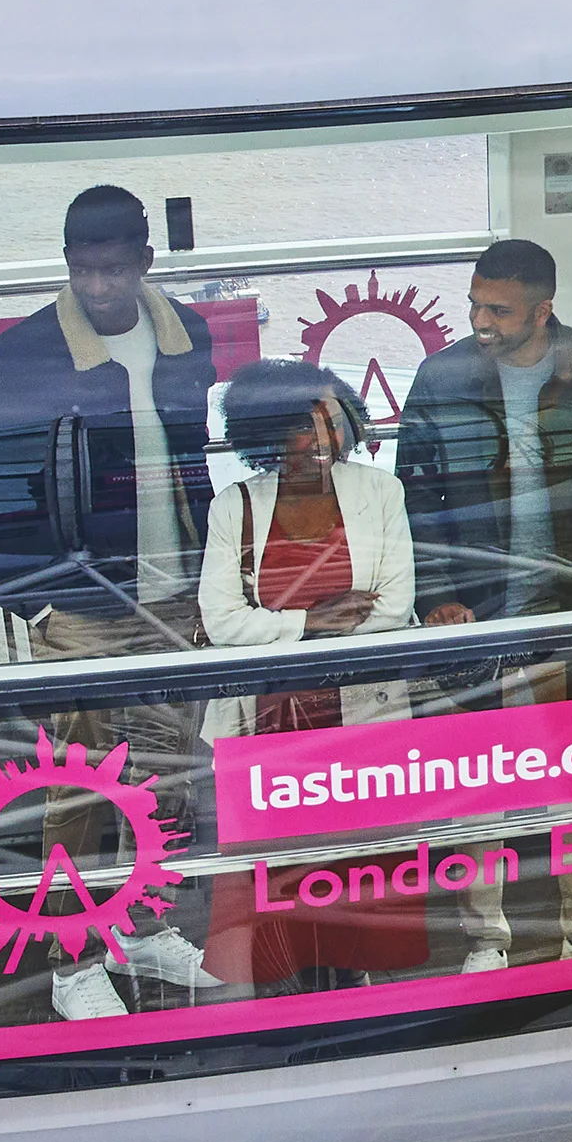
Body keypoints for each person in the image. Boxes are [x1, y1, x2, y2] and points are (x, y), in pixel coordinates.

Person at [0, 184, 223, 1018]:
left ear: (145, 260)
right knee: (76, 795)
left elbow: (191, 459)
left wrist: (211, 577)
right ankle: (73, 963)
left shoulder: (189, 336)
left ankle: (141, 927)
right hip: (79, 609)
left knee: (165, 781)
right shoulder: (22, 355)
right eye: (81, 269)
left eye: (112, 268)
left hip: (176, 598)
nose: (97, 285)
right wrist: (33, 605)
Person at [396, 238, 572, 957]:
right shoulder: (441, 375)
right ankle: (486, 935)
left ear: (543, 308)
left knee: (569, 773)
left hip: (569, 598)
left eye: (500, 309)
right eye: (475, 304)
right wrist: (437, 595)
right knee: (482, 775)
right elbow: (415, 496)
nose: (481, 321)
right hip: (479, 609)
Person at [195, 363, 420, 987]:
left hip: (359, 718)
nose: (322, 441)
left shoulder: (381, 493)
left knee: (359, 875)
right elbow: (222, 622)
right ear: (264, 435)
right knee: (279, 881)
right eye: (303, 427)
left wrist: (279, 621)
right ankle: (289, 1005)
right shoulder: (235, 507)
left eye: (332, 422)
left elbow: (394, 609)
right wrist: (310, 625)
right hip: (266, 725)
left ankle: (355, 996)